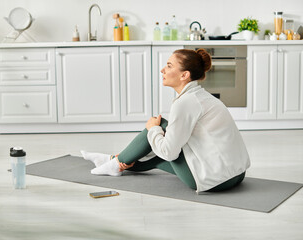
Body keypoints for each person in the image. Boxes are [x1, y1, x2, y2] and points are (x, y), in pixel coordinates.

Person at [81, 48, 250, 193]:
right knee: (156, 157)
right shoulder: (200, 96)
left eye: (169, 66)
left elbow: (169, 153)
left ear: (184, 75)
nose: (163, 70)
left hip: (214, 180)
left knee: (159, 125)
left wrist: (152, 129)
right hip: (236, 175)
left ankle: (115, 163)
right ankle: (113, 161)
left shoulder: (185, 102)